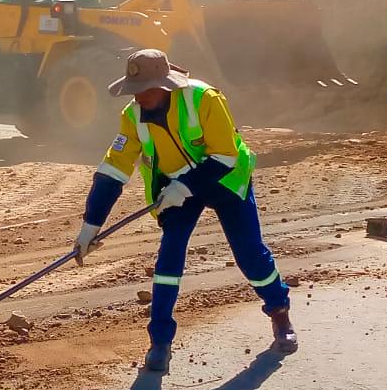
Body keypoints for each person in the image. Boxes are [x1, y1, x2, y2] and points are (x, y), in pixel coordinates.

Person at [72, 48, 297, 373]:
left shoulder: (205, 99)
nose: (140, 97)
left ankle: (280, 314)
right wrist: (90, 225)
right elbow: (113, 170)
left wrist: (185, 187)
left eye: (146, 89)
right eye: (135, 90)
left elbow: (225, 156)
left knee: (249, 254)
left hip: (226, 178)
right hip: (176, 187)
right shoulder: (131, 117)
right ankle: (160, 342)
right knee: (169, 257)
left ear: (166, 84)